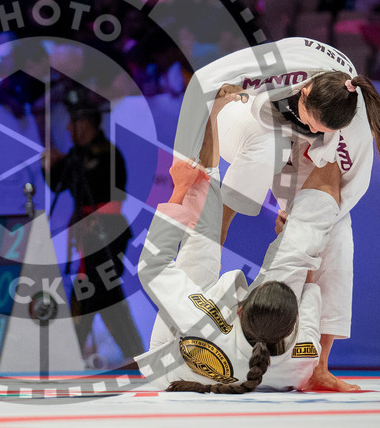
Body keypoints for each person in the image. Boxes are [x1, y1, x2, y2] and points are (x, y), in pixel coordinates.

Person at [170, 38, 380, 391]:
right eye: (314, 123)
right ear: (304, 92)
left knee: (334, 236)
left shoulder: (352, 126)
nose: (318, 132)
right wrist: (182, 160)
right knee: (264, 148)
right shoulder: (284, 61)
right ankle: (183, 321)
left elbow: (349, 190)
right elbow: (201, 84)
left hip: (298, 152)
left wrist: (296, 217)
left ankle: (317, 366)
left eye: (325, 131)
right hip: (245, 119)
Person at [136, 86, 341, 392]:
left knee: (201, 243)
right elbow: (307, 280)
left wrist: (178, 190)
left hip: (174, 348)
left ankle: (212, 114)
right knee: (300, 246)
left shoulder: (201, 321)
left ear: (240, 306)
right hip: (245, 342)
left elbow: (152, 266)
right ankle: (334, 137)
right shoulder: (298, 362)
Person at [41, 90, 144, 365]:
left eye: (73, 122)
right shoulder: (76, 154)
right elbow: (58, 184)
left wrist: (89, 220)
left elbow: (115, 200)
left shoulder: (108, 154)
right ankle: (133, 353)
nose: (67, 128)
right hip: (88, 234)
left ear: (85, 123)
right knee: (102, 292)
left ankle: (71, 351)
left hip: (107, 233)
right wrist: (49, 165)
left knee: (93, 289)